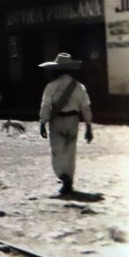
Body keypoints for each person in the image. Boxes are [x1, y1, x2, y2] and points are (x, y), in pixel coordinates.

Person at [38, 52, 94, 196]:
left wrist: (43, 122)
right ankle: (68, 178)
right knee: (70, 151)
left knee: (57, 150)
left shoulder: (51, 86)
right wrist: (88, 126)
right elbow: (86, 107)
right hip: (73, 120)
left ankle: (64, 177)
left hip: (57, 122)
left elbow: (46, 106)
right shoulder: (79, 87)